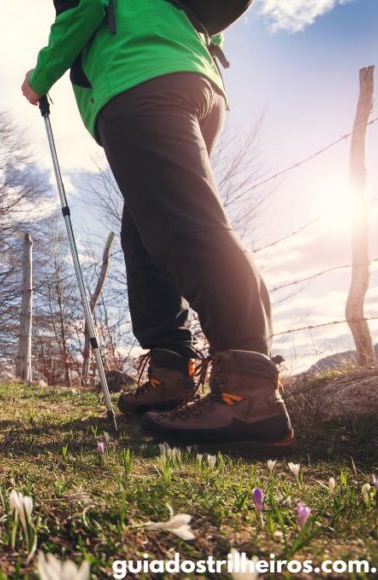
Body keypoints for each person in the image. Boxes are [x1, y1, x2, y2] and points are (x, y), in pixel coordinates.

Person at [21, 0, 294, 452]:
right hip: (192, 76)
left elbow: (84, 7)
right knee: (146, 234)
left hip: (138, 78)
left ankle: (249, 392)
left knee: (185, 224)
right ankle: (171, 372)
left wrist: (40, 75)